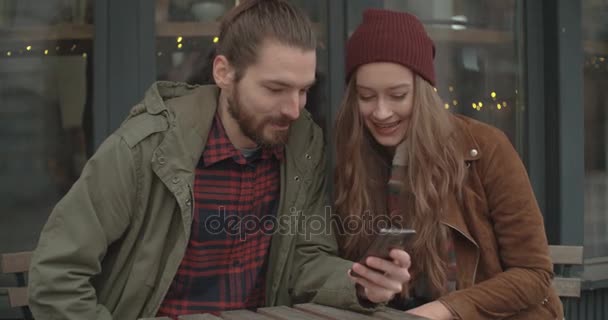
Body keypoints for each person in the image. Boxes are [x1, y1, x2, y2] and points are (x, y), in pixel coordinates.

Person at [27, 1, 411, 319]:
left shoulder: (301, 143)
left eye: (304, 91)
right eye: (275, 89)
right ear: (224, 72)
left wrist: (357, 282)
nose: (294, 110)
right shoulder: (144, 148)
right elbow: (57, 276)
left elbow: (304, 259)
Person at [334, 9, 564, 320]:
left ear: (425, 92)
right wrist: (367, 288)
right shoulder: (354, 162)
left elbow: (534, 273)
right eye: (366, 96)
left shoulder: (486, 147)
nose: (381, 112)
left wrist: (442, 311)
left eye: (398, 95)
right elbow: (352, 277)